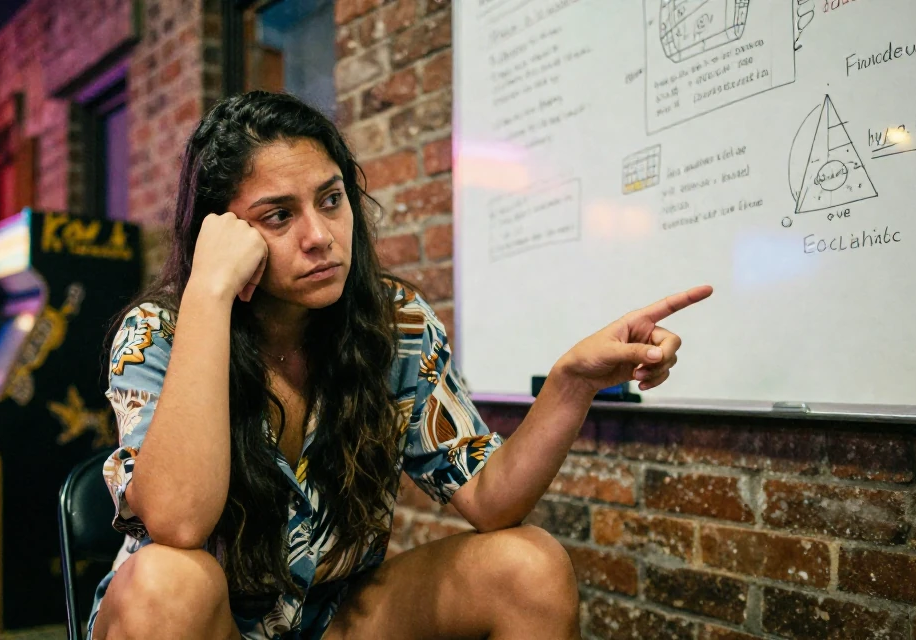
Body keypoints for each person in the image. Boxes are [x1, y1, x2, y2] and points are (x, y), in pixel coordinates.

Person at [88, 91, 711, 640]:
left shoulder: (393, 324)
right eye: (279, 215)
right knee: (168, 583)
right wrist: (208, 293)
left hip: (331, 621)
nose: (320, 235)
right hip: (200, 628)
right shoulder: (159, 334)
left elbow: (490, 501)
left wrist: (571, 384)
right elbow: (176, 521)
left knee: (528, 564)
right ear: (219, 234)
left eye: (331, 200)